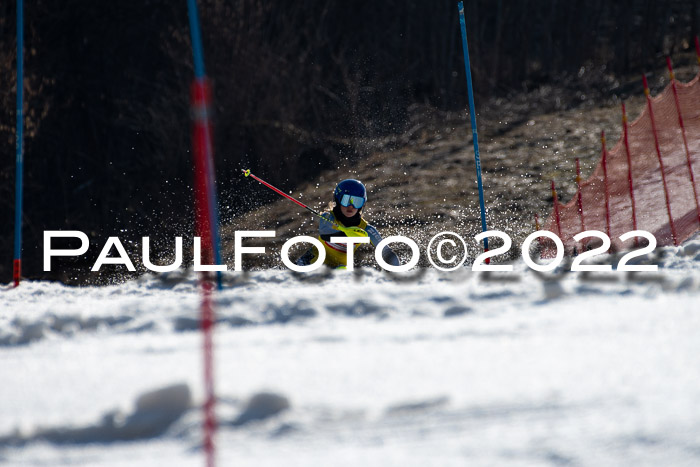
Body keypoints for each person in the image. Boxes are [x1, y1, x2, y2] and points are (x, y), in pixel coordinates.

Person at [296, 179, 400, 268]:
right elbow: (325, 234)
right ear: (338, 200)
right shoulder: (328, 217)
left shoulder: (365, 229)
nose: (351, 206)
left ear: (362, 205)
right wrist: (347, 233)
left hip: (339, 269)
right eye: (346, 200)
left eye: (357, 202)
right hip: (310, 264)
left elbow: (387, 253)